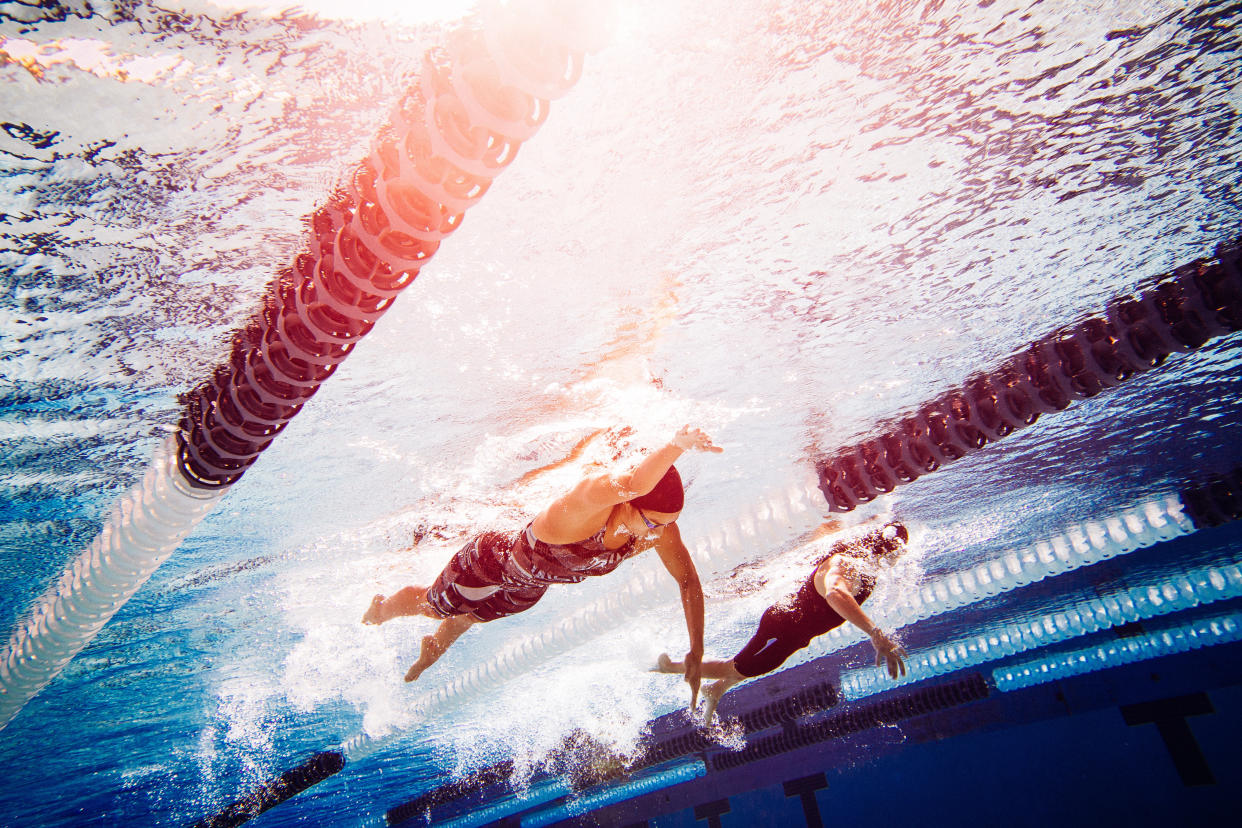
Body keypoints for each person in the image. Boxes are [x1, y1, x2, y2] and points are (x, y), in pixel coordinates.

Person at [363, 425, 723, 709]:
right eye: (655, 522)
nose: (660, 533)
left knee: (471, 617)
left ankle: (433, 651)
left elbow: (688, 580)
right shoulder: (587, 503)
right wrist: (678, 443)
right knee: (435, 605)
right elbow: (632, 482)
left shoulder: (654, 528)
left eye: (669, 523)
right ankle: (382, 610)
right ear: (628, 505)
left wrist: (696, 649)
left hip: (532, 587)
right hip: (492, 562)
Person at [655, 522, 910, 722]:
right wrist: (874, 632)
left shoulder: (866, 570)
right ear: (890, 551)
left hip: (790, 632)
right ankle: (671, 667)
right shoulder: (848, 565)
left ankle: (717, 690)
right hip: (783, 628)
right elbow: (834, 594)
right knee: (733, 667)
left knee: (744, 668)